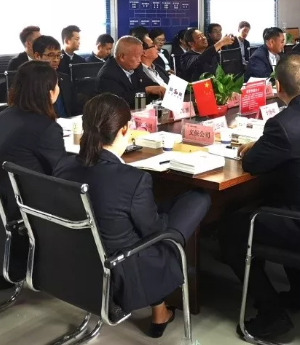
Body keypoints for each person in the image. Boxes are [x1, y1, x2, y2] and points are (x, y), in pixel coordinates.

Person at [54, 94, 210, 338]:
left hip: (77, 262)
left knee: (153, 211)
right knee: (199, 198)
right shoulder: (133, 180)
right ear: (124, 130)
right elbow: (154, 230)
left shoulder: (63, 166)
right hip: (124, 271)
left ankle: (160, 311)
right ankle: (164, 301)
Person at [219, 55, 300, 339]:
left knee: (231, 230)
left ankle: (272, 314)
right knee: (276, 201)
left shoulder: (282, 124)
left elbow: (252, 163)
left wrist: (257, 146)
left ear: (278, 86)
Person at [0, 61, 65, 218]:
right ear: (49, 93)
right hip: (25, 206)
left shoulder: (5, 115)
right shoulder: (46, 128)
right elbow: (61, 173)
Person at [96, 36, 158, 108]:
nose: (140, 60)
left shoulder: (136, 66)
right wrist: (146, 91)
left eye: (141, 56)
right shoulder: (107, 75)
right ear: (122, 57)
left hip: (139, 111)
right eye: (137, 56)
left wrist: (157, 90)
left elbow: (150, 85)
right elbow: (121, 103)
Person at [31, 35, 77, 117]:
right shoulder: (30, 83)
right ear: (37, 56)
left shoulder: (65, 79)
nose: (56, 60)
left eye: (58, 55)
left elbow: (75, 108)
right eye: (51, 55)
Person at [140, 34, 169, 99]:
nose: (156, 47)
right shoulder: (138, 73)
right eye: (153, 45)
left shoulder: (158, 67)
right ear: (144, 52)